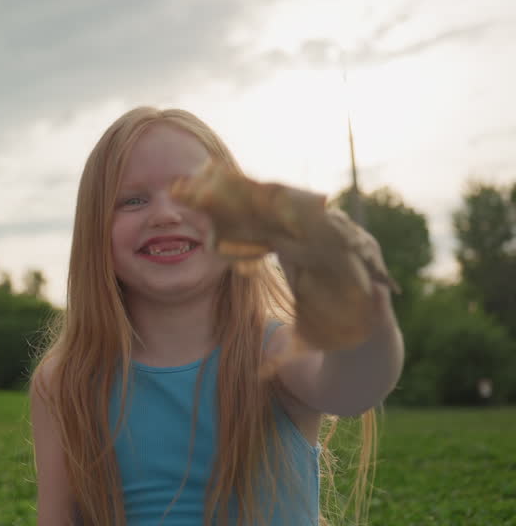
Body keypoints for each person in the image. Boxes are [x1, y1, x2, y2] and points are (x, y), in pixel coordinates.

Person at [30, 106, 404, 525]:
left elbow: (355, 388)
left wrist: (363, 308)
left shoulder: (274, 352)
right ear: (93, 231)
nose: (166, 215)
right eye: (132, 200)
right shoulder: (66, 380)